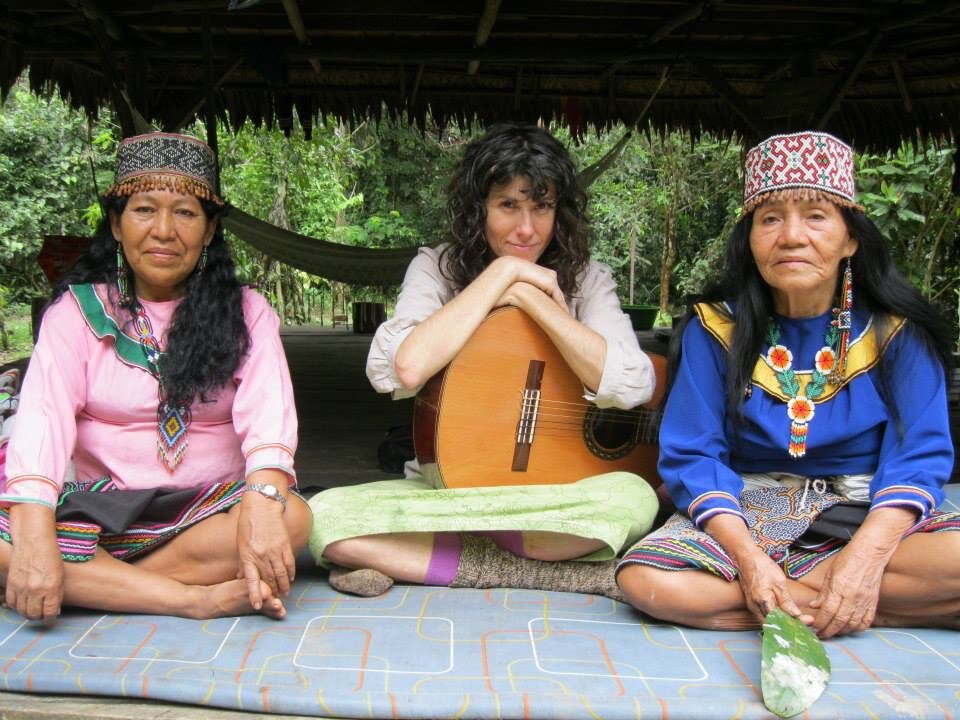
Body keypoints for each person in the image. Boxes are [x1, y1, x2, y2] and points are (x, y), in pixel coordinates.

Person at [616, 130, 960, 638]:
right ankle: (873, 607)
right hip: (747, 512)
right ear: (750, 239)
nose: (791, 236)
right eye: (770, 218)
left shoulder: (896, 333)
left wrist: (865, 557)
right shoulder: (715, 330)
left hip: (867, 509)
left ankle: (817, 598)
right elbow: (694, 456)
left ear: (850, 238)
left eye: (816, 216)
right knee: (651, 583)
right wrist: (751, 560)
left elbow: (919, 456)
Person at [309, 123, 659, 598]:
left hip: (560, 498)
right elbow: (403, 370)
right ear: (479, 209)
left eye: (542, 207)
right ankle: (545, 570)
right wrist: (501, 275)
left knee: (634, 499)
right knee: (320, 514)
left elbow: (635, 384)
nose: (526, 228)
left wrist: (536, 301)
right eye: (507, 205)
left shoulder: (587, 278)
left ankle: (418, 557)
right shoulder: (436, 266)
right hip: (452, 493)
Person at [0, 132, 312, 624]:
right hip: (99, 514)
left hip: (207, 512)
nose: (164, 230)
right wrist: (36, 532)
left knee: (292, 517)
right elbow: (41, 422)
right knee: (18, 526)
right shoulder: (76, 314)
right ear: (117, 226)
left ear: (209, 231)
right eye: (144, 210)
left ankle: (95, 583)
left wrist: (264, 497)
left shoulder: (247, 312)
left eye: (186, 213)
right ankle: (190, 598)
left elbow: (270, 424)